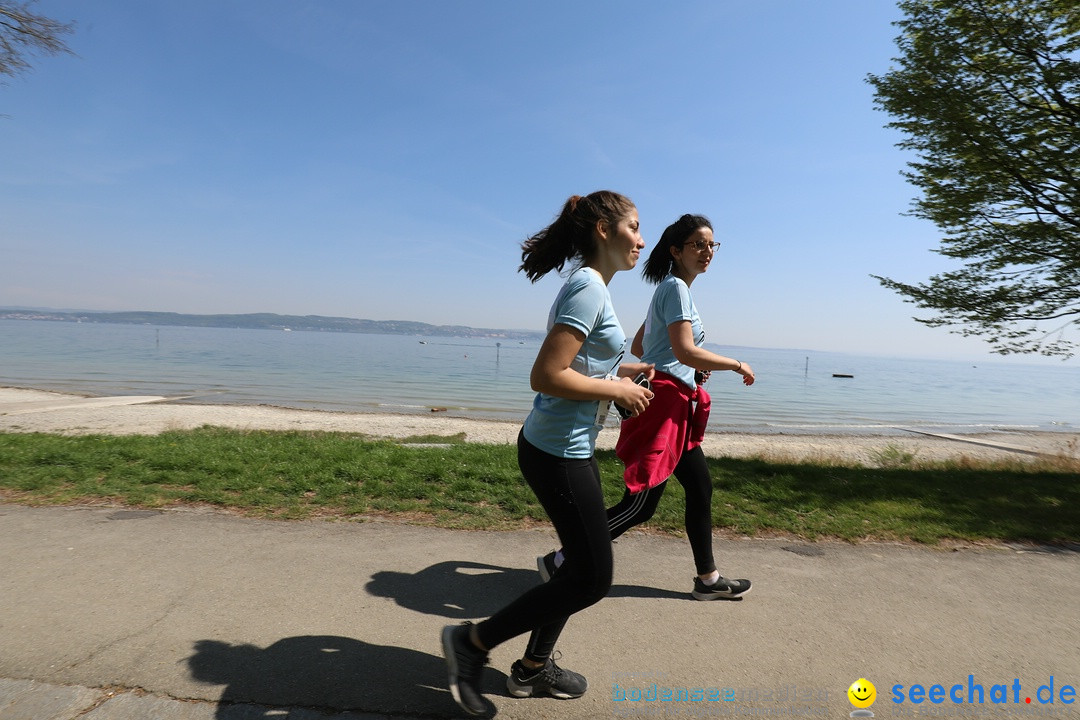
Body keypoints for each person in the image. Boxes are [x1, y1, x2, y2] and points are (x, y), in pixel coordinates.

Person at [440, 191, 655, 716]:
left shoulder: (593, 287)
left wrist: (622, 376)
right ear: (604, 230)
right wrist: (617, 393)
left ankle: (534, 669)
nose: (642, 239)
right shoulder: (587, 288)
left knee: (574, 565)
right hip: (557, 452)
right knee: (592, 576)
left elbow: (582, 366)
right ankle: (471, 644)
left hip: (564, 447)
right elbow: (546, 375)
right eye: (633, 226)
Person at [538, 213, 755, 601]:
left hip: (677, 404)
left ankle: (708, 579)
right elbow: (686, 350)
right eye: (698, 244)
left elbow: (641, 346)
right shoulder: (675, 289)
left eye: (711, 245)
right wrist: (735, 364)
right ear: (676, 250)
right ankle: (562, 559)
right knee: (640, 504)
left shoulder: (671, 289)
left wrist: (683, 369)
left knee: (700, 487)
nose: (707, 251)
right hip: (663, 406)